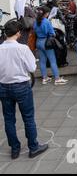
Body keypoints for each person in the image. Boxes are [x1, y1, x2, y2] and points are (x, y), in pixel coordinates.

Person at [0, 20, 49, 160]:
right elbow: (32, 68)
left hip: (3, 86)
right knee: (28, 118)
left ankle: (14, 148)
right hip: (21, 85)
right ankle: (33, 147)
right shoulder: (22, 48)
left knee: (9, 119)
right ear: (18, 33)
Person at [33, 6, 68, 86]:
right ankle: (57, 79)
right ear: (45, 13)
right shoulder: (46, 21)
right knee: (52, 61)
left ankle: (44, 78)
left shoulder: (36, 21)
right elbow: (52, 33)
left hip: (38, 42)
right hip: (46, 42)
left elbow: (34, 30)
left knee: (42, 61)